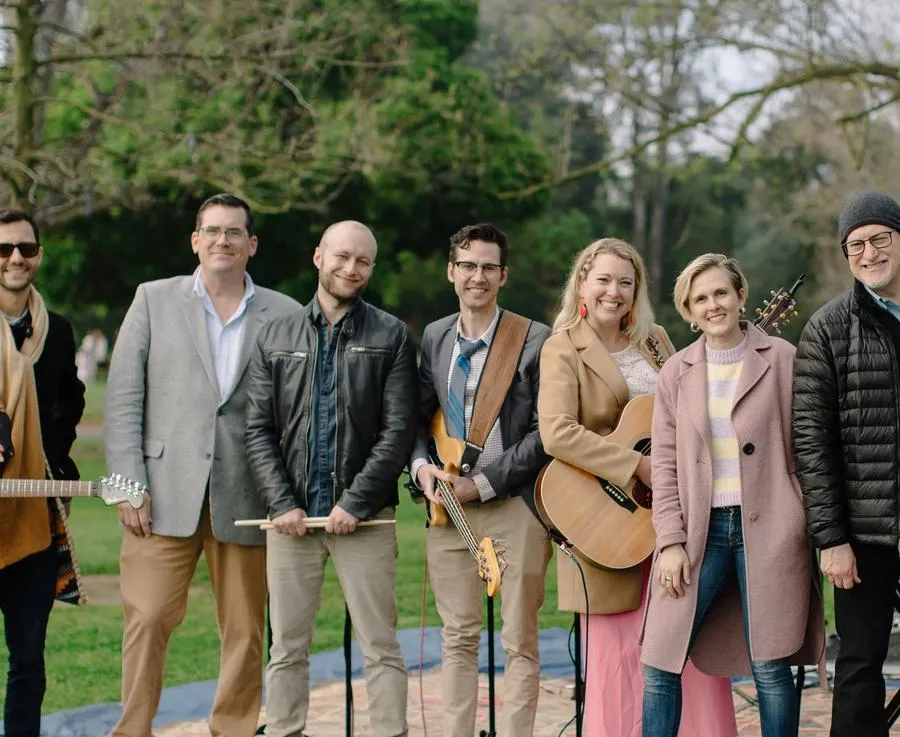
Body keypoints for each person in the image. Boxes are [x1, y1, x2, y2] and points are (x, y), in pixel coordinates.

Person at [104, 193, 300, 737]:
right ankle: (132, 729)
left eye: (234, 232)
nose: (222, 240)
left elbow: (296, 411)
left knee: (243, 629)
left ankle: (233, 729)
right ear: (195, 240)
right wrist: (125, 487)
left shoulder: (285, 313)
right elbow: (122, 398)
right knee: (146, 618)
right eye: (211, 231)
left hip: (248, 496)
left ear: (251, 244)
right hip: (159, 495)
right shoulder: (152, 299)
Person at [538, 239, 736, 737]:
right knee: (616, 657)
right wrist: (635, 466)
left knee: (686, 643)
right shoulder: (562, 346)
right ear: (583, 282)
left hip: (671, 519)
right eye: (603, 279)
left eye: (626, 282)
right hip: (605, 521)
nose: (614, 291)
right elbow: (556, 431)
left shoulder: (657, 340)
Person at [245, 220, 417, 737]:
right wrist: (281, 504)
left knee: (380, 646)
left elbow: (397, 431)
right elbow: (256, 428)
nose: (352, 268)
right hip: (290, 520)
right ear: (318, 256)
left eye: (363, 260)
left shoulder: (391, 337)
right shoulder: (274, 336)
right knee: (286, 649)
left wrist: (356, 502)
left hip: (363, 521)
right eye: (342, 256)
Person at [640, 253, 823, 737]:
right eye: (700, 299)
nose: (713, 304)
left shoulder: (783, 358)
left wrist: (800, 519)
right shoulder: (676, 373)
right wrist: (671, 540)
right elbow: (663, 464)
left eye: (721, 292)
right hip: (701, 532)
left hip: (771, 530)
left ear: (741, 295)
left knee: (770, 667)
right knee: (660, 662)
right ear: (688, 311)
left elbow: (810, 445)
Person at [408, 223, 552, 735]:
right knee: (458, 637)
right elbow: (418, 419)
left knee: (519, 641)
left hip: (513, 503)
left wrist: (485, 482)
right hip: (449, 506)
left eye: (489, 267)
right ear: (452, 273)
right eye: (468, 265)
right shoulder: (436, 335)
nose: (478, 276)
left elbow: (545, 433)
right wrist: (421, 466)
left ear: (503, 275)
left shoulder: (534, 339)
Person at [793, 189, 900, 737]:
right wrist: (830, 538)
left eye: (880, 238)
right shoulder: (827, 329)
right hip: (863, 537)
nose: (869, 252)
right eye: (855, 244)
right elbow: (812, 445)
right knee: (859, 667)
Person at [0, 209, 86, 737]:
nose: (15, 258)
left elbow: (69, 403)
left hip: (32, 516)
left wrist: (52, 460)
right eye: (4, 249)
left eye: (26, 249)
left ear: (39, 255)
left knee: (28, 658)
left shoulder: (57, 332)